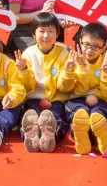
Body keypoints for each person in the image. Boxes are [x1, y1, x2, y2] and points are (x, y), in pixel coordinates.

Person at [18, 12, 74, 153]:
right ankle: (31, 137)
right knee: (30, 117)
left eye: (51, 31)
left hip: (56, 99)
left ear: (57, 34)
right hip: (34, 98)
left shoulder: (64, 54)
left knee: (55, 118)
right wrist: (23, 70)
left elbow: (64, 87)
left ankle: (50, 137)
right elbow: (27, 86)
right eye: (41, 31)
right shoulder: (28, 54)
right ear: (33, 34)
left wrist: (68, 71)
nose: (46, 36)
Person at [65, 23, 107, 156]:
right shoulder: (74, 60)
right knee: (79, 113)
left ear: (103, 48)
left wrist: (106, 74)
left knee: (98, 113)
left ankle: (100, 133)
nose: (90, 50)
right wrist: (80, 67)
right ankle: (86, 137)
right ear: (80, 42)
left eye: (96, 46)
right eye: (87, 44)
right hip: (79, 99)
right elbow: (75, 90)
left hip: (102, 100)